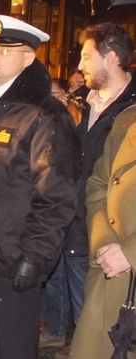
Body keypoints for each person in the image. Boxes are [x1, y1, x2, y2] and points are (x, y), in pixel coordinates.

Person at [0, 15, 79, 359]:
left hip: (13, 259)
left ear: (28, 56)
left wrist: (35, 257)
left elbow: (56, 196)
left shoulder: (43, 115)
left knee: (13, 351)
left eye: (2, 49)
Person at [60, 23, 136, 350]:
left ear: (112, 57)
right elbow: (93, 178)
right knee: (87, 326)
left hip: (120, 250)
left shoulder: (129, 110)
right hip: (85, 233)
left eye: (87, 56)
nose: (79, 66)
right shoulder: (81, 104)